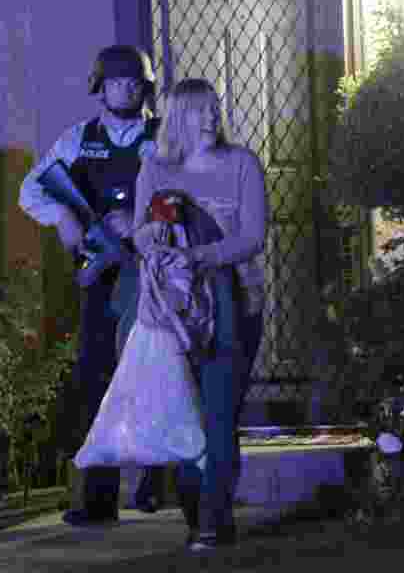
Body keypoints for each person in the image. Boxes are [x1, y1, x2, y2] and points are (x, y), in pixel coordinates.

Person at [18, 44, 165, 525]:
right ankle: (96, 498)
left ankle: (155, 483)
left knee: (154, 373)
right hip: (100, 273)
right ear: (99, 86)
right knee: (94, 380)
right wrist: (60, 213)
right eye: (116, 81)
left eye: (134, 81)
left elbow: (190, 196)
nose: (126, 88)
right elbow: (30, 189)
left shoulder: (164, 137)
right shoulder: (78, 138)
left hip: (155, 272)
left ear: (146, 86)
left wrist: (141, 216)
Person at [132, 78, 267, 551]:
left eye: (214, 109)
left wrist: (199, 256)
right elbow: (140, 235)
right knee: (185, 417)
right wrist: (159, 238)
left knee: (217, 416)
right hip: (177, 315)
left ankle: (212, 520)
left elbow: (252, 239)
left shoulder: (242, 165)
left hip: (236, 307)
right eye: (199, 111)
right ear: (176, 118)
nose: (211, 118)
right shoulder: (153, 169)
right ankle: (198, 517)